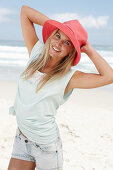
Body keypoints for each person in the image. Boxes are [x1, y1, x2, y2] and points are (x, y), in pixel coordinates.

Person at [8, 5, 113, 170]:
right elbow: (25, 12)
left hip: (46, 148)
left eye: (67, 42)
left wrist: (90, 50)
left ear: (71, 51)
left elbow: (109, 77)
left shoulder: (70, 77)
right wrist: (56, 25)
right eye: (57, 36)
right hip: (22, 139)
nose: (58, 44)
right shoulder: (36, 53)